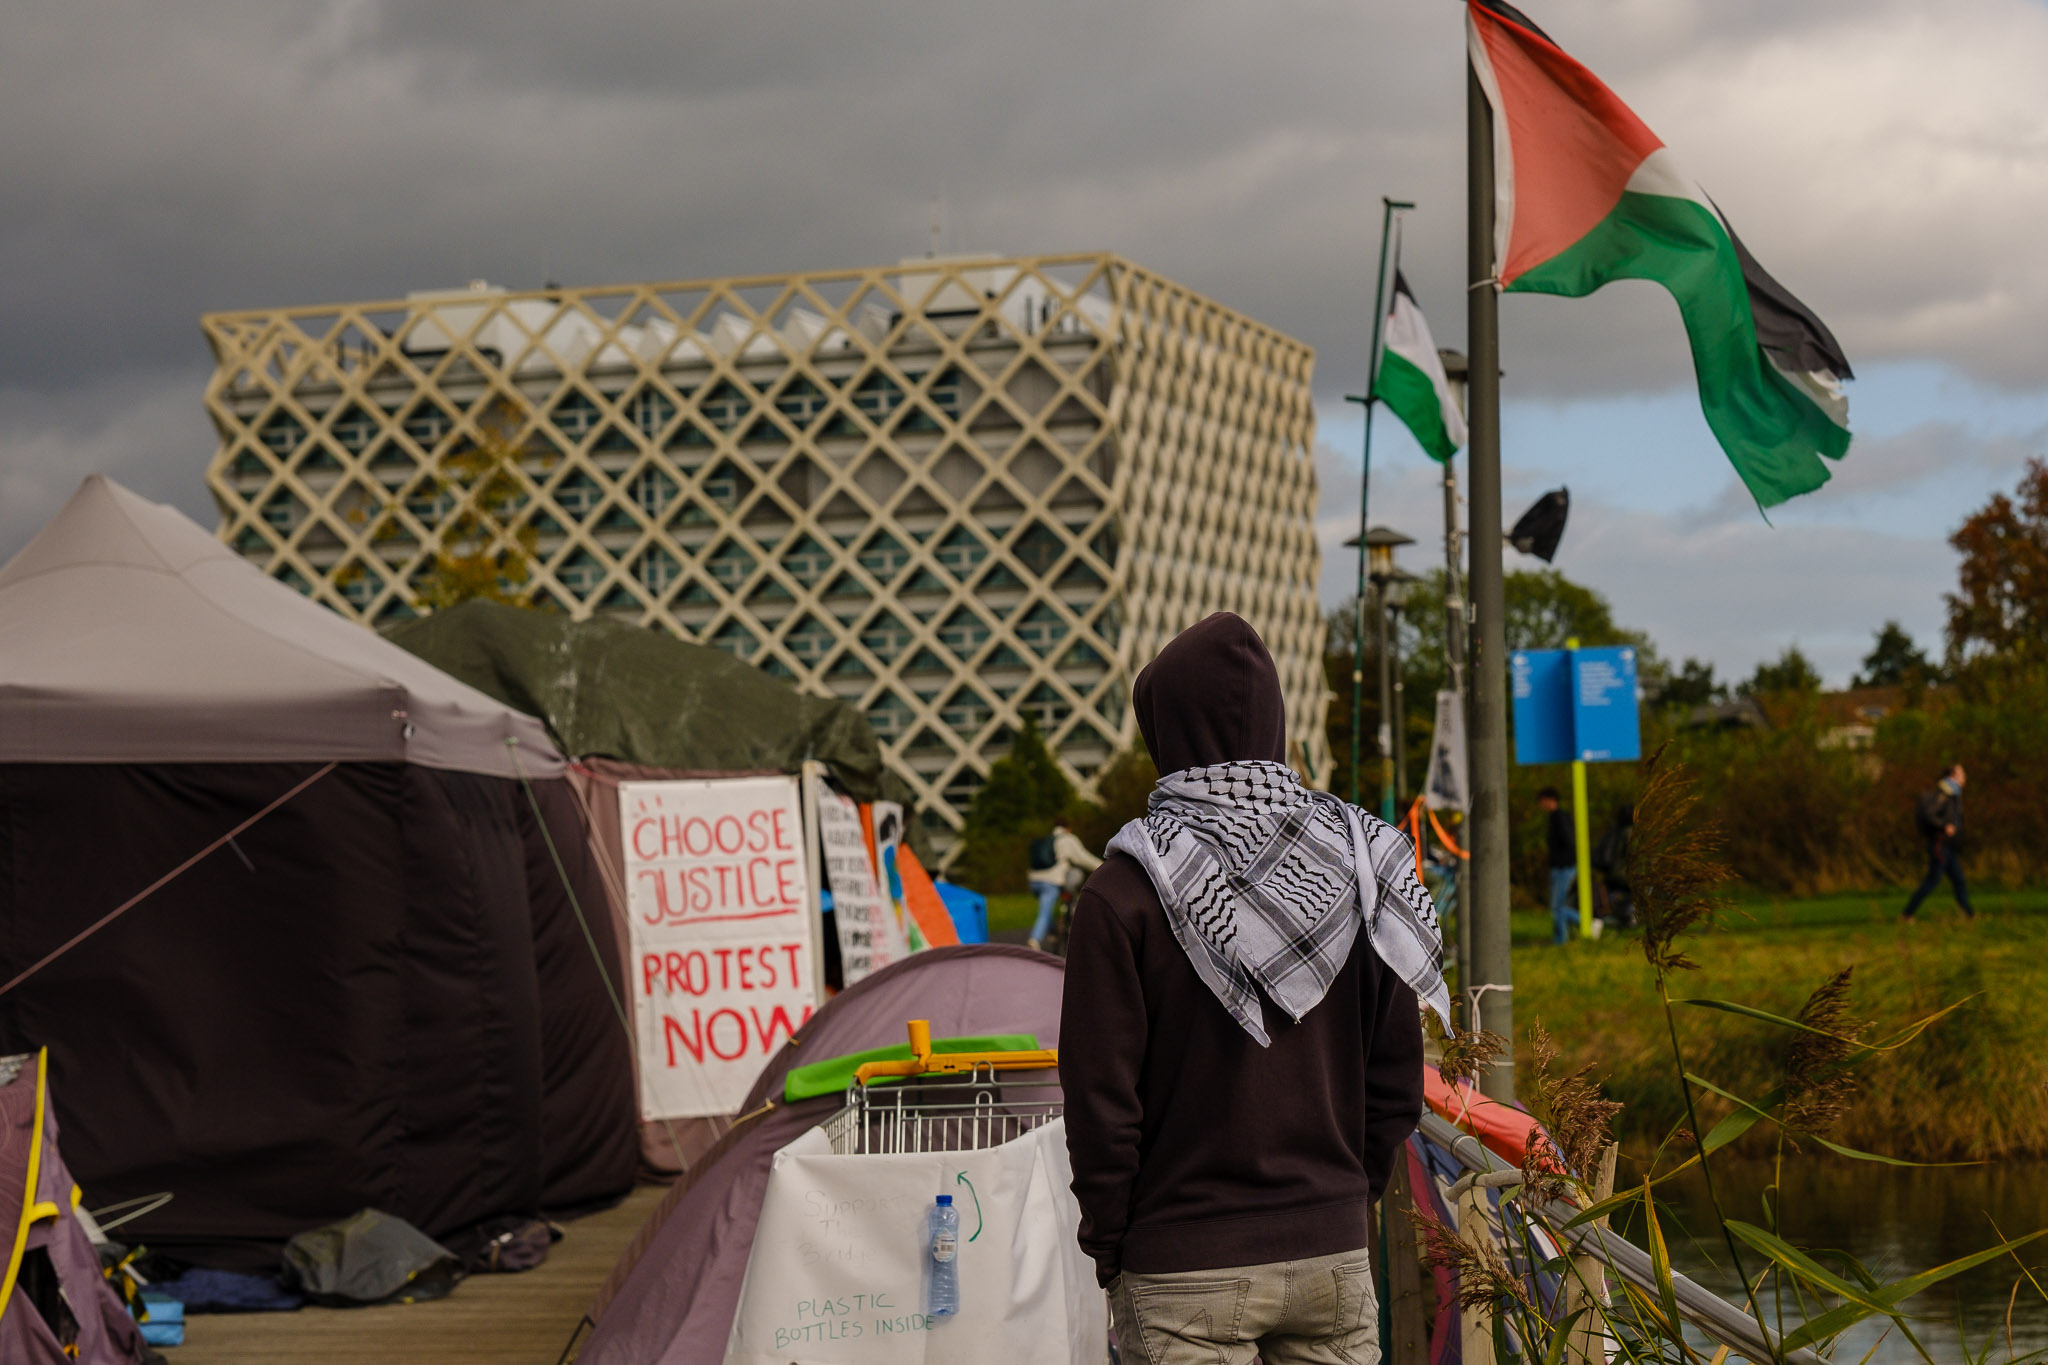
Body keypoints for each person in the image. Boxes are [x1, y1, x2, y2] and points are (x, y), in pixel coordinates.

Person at [1061, 612, 1443, 1365]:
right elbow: (1397, 1080)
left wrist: (1113, 1245)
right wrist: (1341, 1198)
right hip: (1331, 1250)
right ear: (1276, 721)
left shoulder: (1125, 891)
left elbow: (1102, 1103)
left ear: (1163, 733)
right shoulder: (1363, 869)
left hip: (1180, 1261)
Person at [1902, 763, 1974, 921]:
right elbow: (1929, 814)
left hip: (1949, 845)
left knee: (1958, 880)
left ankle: (1968, 914)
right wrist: (1944, 826)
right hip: (1940, 845)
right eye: (1961, 773)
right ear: (1952, 777)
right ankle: (1907, 914)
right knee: (1933, 881)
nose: (1964, 777)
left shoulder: (1954, 795)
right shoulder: (1943, 794)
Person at [1027, 819, 1100, 951]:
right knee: (1045, 911)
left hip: (1034, 881)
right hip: (1051, 880)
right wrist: (1101, 867)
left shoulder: (1048, 839)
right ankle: (1035, 939)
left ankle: (1053, 933)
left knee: (1045, 908)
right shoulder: (1067, 839)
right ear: (1067, 828)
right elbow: (1082, 858)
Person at [1538, 787, 1577, 944]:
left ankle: (1562, 938)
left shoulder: (1559, 817)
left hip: (1563, 867)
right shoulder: (1556, 817)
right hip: (1560, 866)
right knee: (1557, 905)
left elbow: (1569, 841)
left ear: (1549, 800)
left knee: (1557, 906)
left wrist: (1561, 859)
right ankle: (1560, 937)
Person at [1592, 803, 1634, 930]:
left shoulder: (1613, 831)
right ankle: (1630, 916)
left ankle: (1599, 923)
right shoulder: (1630, 833)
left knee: (1604, 900)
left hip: (1610, 873)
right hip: (1623, 875)